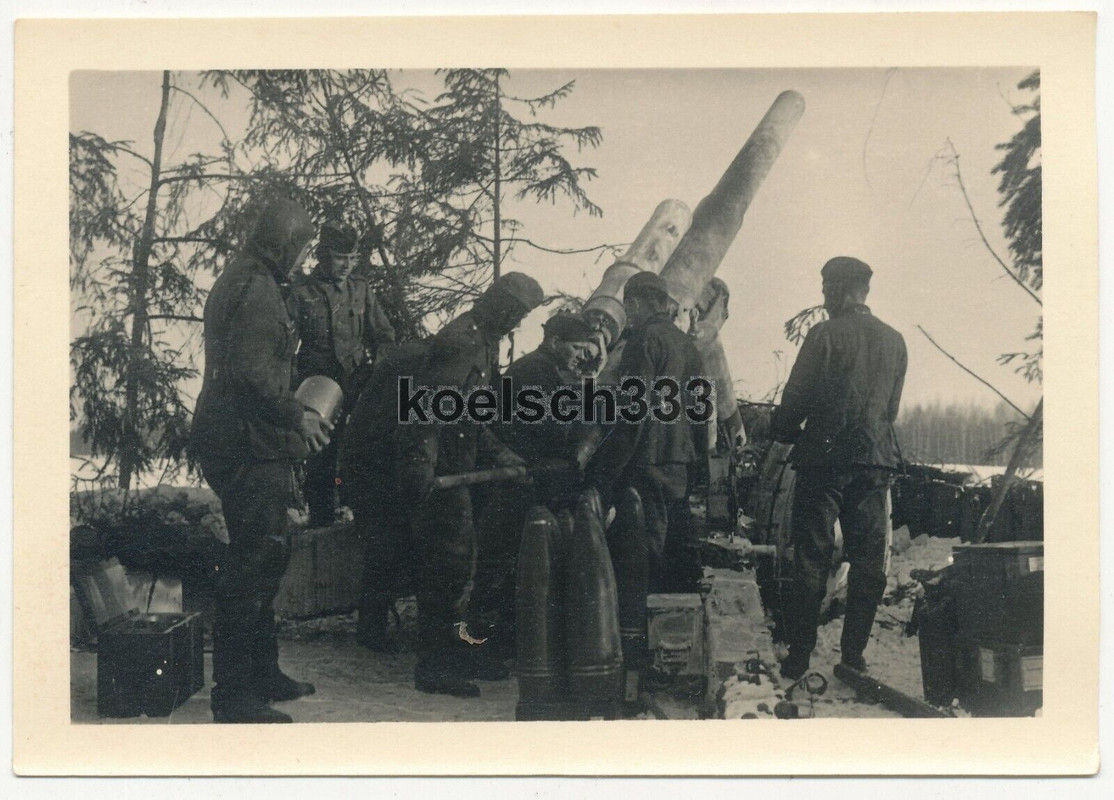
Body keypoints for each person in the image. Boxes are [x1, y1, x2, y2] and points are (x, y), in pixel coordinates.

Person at [349, 272, 544, 697]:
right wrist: (420, 468)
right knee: (447, 571)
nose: (518, 322)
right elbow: (426, 410)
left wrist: (500, 455)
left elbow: (469, 414)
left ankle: (459, 653)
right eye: (518, 313)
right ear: (503, 306)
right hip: (440, 474)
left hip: (456, 467)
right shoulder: (461, 341)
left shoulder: (484, 341)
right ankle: (437, 666)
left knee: (460, 568)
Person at [190, 196, 333, 724]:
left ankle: (262, 672)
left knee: (266, 558)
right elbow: (250, 375)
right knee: (251, 567)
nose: (303, 256)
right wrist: (298, 417)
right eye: (301, 246)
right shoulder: (255, 289)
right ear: (284, 242)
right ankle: (234, 695)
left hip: (248, 439)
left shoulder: (252, 278)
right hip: (245, 444)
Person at [770, 256, 908, 681]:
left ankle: (799, 656)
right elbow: (891, 409)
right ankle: (853, 656)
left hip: (824, 463)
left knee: (810, 557)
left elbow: (796, 398)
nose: (825, 297)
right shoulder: (895, 341)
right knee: (868, 563)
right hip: (874, 463)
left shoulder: (824, 335)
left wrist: (783, 430)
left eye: (827, 288)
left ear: (840, 290)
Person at [584, 271, 707, 702]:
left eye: (629, 306)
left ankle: (637, 665)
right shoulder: (688, 345)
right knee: (673, 557)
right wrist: (699, 465)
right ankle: (672, 656)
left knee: (640, 560)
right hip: (678, 464)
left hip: (646, 464)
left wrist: (607, 472)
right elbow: (701, 412)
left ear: (637, 302)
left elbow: (632, 414)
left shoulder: (643, 342)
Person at [467, 312, 597, 656]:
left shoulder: (540, 369)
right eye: (576, 348)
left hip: (524, 478)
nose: (581, 355)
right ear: (554, 342)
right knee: (501, 566)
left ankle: (499, 644)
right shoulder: (534, 372)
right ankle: (480, 647)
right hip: (516, 482)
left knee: (512, 565)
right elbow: (552, 430)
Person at [287, 220, 396, 527]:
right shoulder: (302, 293)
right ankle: (321, 523)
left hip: (357, 385)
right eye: (339, 258)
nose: (346, 265)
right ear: (323, 256)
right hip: (317, 387)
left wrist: (378, 374)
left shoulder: (360, 290)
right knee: (321, 458)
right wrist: (295, 391)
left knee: (362, 454)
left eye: (352, 258)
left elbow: (385, 336)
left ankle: (360, 522)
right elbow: (285, 349)